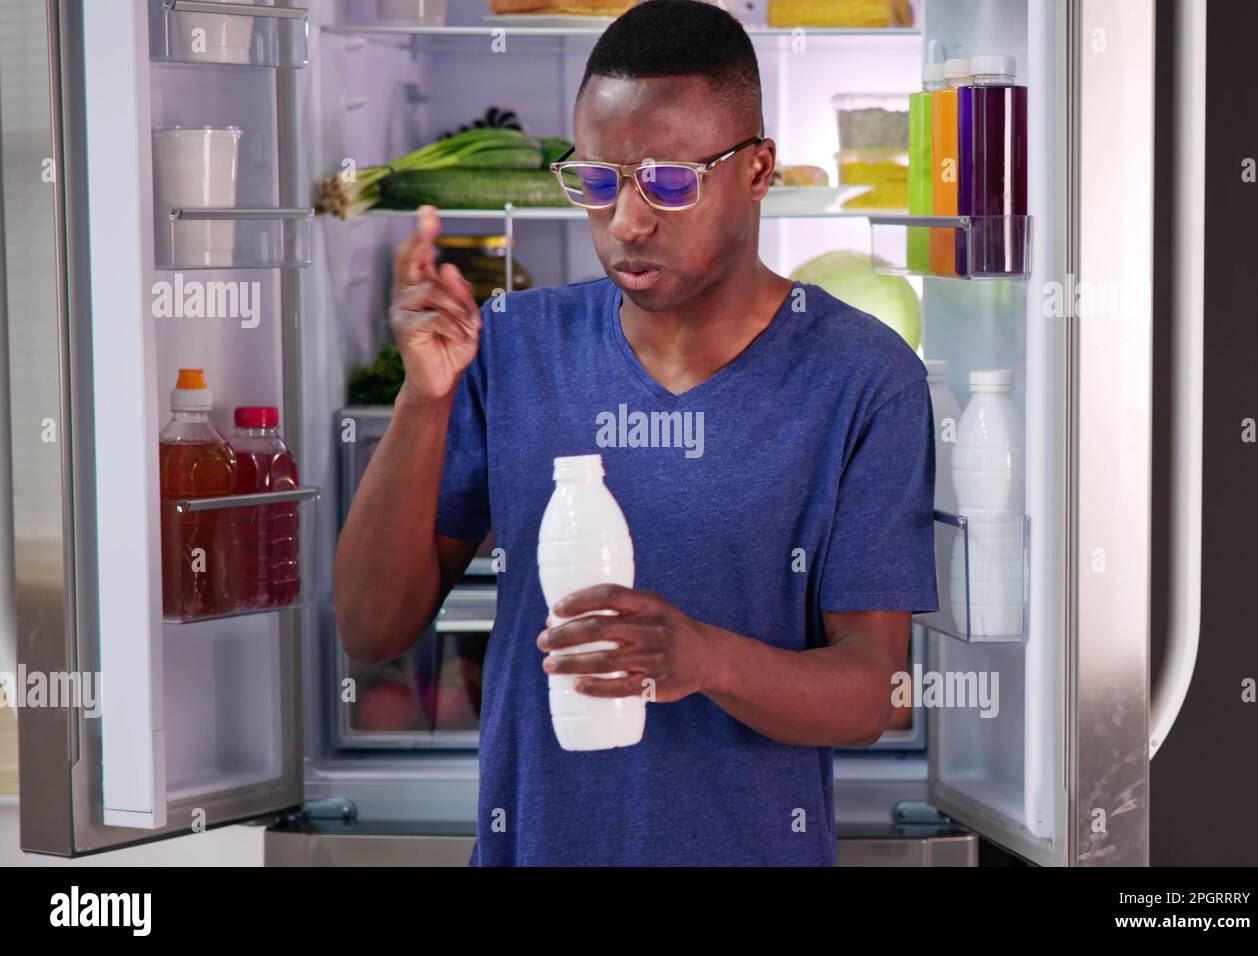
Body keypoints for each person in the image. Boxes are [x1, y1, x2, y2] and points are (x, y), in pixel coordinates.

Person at [334, 0, 938, 866]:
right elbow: (370, 629)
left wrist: (703, 657)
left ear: (759, 169)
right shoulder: (510, 347)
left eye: (668, 181)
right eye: (599, 181)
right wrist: (423, 403)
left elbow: (870, 692)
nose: (626, 222)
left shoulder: (864, 377)